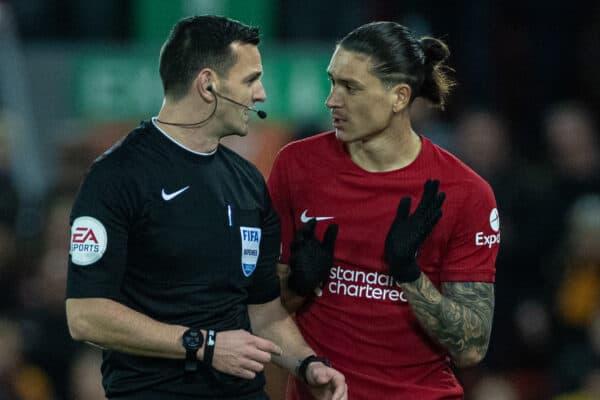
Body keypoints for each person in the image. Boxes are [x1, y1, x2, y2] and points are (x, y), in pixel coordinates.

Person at [65, 15, 347, 400]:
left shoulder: (249, 182)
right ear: (208, 84)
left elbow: (262, 312)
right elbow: (85, 315)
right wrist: (204, 345)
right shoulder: (117, 176)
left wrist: (308, 363)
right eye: (251, 79)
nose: (262, 93)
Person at [267, 21, 499, 399]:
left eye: (351, 88)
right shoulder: (297, 166)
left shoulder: (465, 192)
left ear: (399, 97)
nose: (332, 100)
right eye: (332, 82)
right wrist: (298, 285)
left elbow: (471, 347)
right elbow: (260, 311)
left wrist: (409, 273)